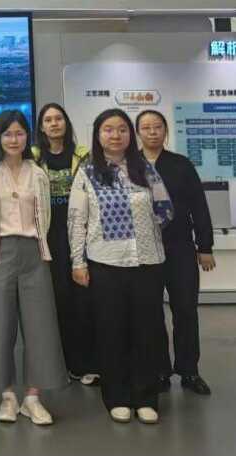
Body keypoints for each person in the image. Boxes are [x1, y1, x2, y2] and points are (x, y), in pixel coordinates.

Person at [68, 108, 174, 425]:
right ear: (98, 135)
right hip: (106, 262)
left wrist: (145, 229)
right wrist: (77, 261)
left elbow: (166, 208)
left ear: (131, 134)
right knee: (111, 331)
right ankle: (117, 396)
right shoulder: (87, 171)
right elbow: (77, 220)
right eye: (108, 129)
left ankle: (146, 397)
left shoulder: (145, 168)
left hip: (148, 262)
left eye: (122, 129)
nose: (116, 135)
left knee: (147, 331)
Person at [0, 110, 68, 426]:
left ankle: (33, 398)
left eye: (20, 133)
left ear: (28, 136)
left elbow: (45, 218)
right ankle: (8, 396)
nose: (14, 139)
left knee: (40, 325)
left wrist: (34, 242)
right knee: (0, 325)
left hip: (34, 253)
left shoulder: (37, 173)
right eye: (8, 134)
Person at [136, 109, 215, 396]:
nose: (152, 132)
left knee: (185, 309)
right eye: (146, 127)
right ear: (138, 132)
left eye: (157, 126)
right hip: (144, 250)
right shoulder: (130, 166)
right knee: (151, 313)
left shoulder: (181, 165)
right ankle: (159, 370)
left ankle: (189, 371)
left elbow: (199, 206)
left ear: (165, 130)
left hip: (180, 247)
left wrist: (204, 247)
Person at [32, 103, 98, 386]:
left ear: (66, 123)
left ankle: (86, 363)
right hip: (48, 237)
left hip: (80, 234)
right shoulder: (33, 158)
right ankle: (62, 365)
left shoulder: (84, 156)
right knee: (57, 302)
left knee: (83, 300)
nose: (54, 123)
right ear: (41, 127)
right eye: (48, 120)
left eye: (58, 118)